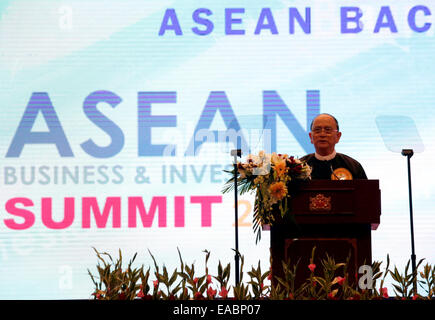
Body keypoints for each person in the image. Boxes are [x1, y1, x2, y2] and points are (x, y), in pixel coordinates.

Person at [300, 113, 367, 180]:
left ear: (338, 136)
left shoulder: (353, 166)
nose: (322, 134)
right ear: (310, 137)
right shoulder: (300, 167)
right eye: (317, 130)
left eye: (328, 130)